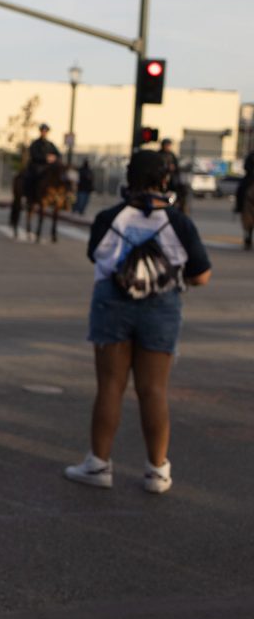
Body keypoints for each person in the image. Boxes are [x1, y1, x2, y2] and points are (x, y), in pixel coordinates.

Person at [66, 150, 211, 495]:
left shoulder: (109, 217)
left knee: (110, 386)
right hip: (161, 307)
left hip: (113, 302)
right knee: (154, 390)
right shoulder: (179, 222)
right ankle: (157, 471)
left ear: (128, 179)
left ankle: (98, 464)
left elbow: (95, 255)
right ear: (165, 180)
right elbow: (201, 276)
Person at [233, 148, 254, 215]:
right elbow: (246, 166)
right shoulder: (251, 155)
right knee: (241, 188)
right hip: (251, 176)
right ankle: (239, 206)